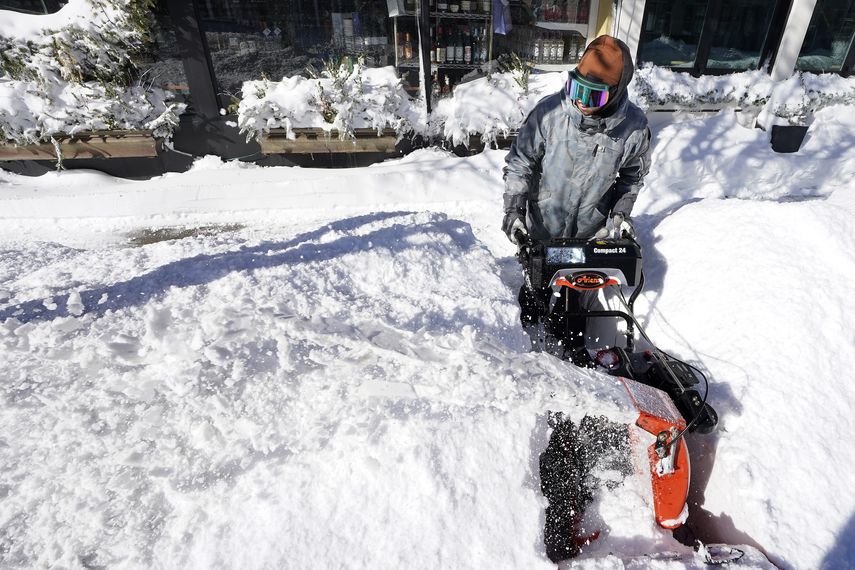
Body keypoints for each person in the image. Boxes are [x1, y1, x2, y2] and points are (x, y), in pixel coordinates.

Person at [501, 35, 651, 367]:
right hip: (544, 224)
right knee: (537, 286)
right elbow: (520, 163)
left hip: (588, 230)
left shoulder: (633, 129)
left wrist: (620, 215)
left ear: (614, 93)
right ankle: (529, 330)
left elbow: (631, 178)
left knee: (576, 297)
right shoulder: (549, 114)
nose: (580, 101)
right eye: (576, 88)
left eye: (592, 95)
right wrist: (514, 209)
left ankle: (571, 342)